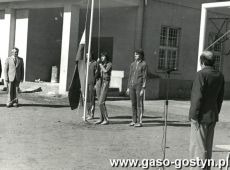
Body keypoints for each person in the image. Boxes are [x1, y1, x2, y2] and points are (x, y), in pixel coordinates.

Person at [189, 51, 225, 170]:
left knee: (198, 148)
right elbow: (220, 98)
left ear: (202, 61)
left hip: (200, 116)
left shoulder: (201, 75)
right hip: (212, 115)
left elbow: (197, 97)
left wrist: (194, 115)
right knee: (207, 148)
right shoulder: (219, 75)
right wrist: (216, 112)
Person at [126, 49, 147, 127]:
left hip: (139, 86)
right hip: (132, 85)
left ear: (141, 55)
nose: (135, 56)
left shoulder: (144, 64)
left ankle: (139, 121)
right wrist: (128, 87)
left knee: (139, 104)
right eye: (135, 54)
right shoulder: (132, 64)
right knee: (133, 104)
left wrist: (143, 88)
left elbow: (145, 77)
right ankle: (134, 120)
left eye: (137, 54)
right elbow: (130, 76)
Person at [95, 52, 112, 125]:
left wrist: (100, 65)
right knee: (99, 102)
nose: (102, 58)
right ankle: (101, 118)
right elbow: (97, 73)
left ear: (106, 57)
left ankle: (106, 119)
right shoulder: (100, 64)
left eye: (103, 56)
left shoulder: (109, 64)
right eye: (101, 56)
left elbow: (105, 71)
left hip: (105, 82)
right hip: (99, 82)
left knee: (101, 101)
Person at [86, 53, 97, 120]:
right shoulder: (86, 63)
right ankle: (88, 113)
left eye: (89, 55)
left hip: (92, 83)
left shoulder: (95, 63)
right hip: (86, 83)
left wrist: (95, 83)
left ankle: (92, 114)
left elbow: (97, 73)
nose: (88, 57)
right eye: (86, 55)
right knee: (87, 99)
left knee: (92, 98)